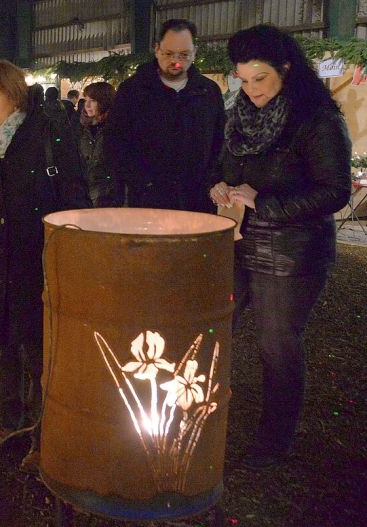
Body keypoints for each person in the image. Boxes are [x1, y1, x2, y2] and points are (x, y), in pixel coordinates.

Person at [209, 25, 351, 469]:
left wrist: (264, 204)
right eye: (244, 80)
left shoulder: (317, 120)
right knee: (213, 325)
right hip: (237, 242)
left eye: (261, 80)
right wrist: (220, 186)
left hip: (291, 254)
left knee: (276, 344)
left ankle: (274, 439)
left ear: (286, 71)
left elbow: (334, 192)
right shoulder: (240, 115)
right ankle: (203, 411)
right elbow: (226, 165)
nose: (251, 90)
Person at [0, 60, 89, 473]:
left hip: (39, 255)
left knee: (38, 348)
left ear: (13, 94)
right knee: (5, 343)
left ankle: (43, 434)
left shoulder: (47, 132)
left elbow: (74, 192)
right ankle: (7, 421)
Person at [104, 18, 224, 212]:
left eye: (184, 55)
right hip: (147, 205)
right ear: (157, 49)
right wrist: (143, 184)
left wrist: (211, 181)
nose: (176, 62)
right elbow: (115, 144)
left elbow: (220, 142)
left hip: (198, 203)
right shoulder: (133, 91)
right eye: (169, 54)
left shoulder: (208, 92)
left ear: (195, 52)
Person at [79, 81, 121, 206]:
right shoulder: (82, 128)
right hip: (86, 197)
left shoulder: (117, 128)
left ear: (104, 101)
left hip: (109, 198)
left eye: (92, 100)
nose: (87, 105)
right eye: (85, 100)